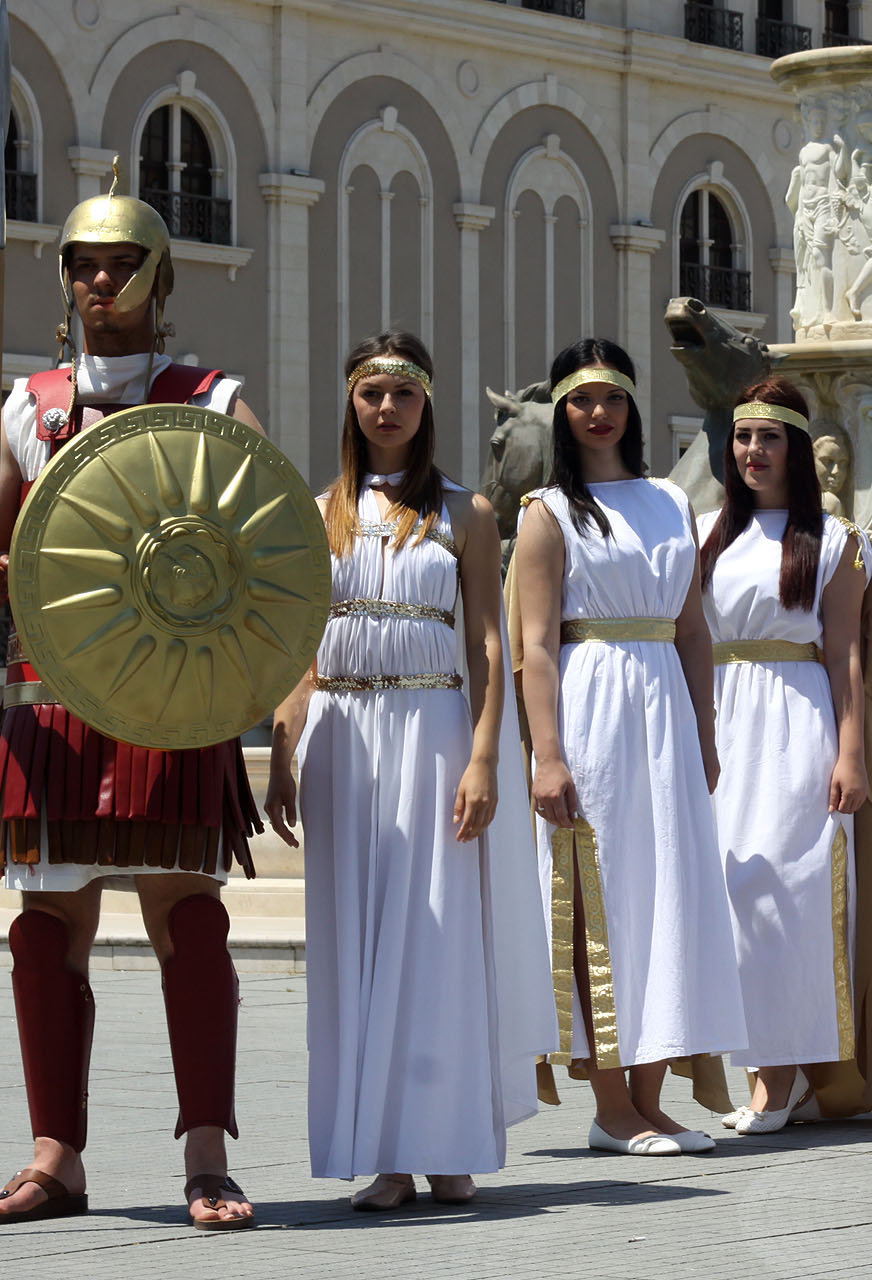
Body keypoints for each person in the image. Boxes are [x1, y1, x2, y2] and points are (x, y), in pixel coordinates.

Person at [0, 181, 263, 1229]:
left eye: (119, 262)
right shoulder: (25, 404)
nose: (97, 278)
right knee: (45, 925)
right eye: (81, 261)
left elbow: (266, 548)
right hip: (53, 700)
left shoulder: (211, 401)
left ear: (158, 277)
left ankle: (208, 1154)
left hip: (172, 696)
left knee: (191, 920)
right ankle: (56, 1156)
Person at [263, 332, 553, 1211]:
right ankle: (386, 1152)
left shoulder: (467, 513)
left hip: (431, 730)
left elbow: (488, 643)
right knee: (356, 941)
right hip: (343, 736)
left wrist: (483, 756)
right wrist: (283, 748)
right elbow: (297, 649)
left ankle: (450, 1143)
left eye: (403, 393)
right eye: (371, 392)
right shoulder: (318, 514)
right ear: (351, 403)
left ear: (427, 405)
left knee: (436, 935)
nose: (386, 407)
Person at [508, 339, 747, 1156]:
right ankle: (612, 1106)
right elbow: (534, 645)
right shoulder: (545, 512)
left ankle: (652, 1098)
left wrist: (706, 732)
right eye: (582, 399)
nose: (599, 412)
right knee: (602, 896)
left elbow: (692, 632)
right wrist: (547, 754)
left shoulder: (667, 503)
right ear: (562, 414)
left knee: (668, 894)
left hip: (665, 715)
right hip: (593, 710)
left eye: (612, 396)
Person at [698, 377, 872, 1133]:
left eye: (769, 438)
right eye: (743, 438)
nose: (753, 451)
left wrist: (851, 756)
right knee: (732, 895)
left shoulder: (834, 542)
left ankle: (783, 1078)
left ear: (796, 450)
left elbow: (845, 659)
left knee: (789, 897)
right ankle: (774, 1072)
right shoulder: (707, 532)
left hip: (797, 722)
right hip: (724, 719)